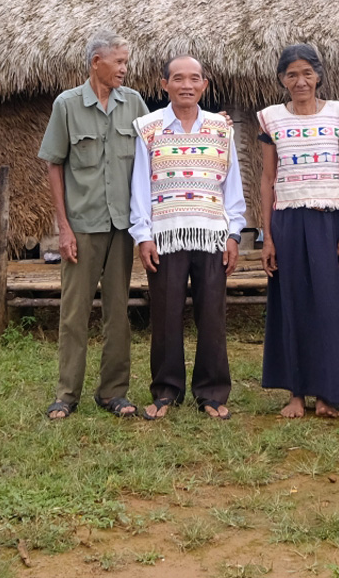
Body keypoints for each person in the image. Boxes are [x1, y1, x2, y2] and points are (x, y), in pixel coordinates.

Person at [37, 31, 150, 420]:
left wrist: (210, 125)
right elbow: (54, 164)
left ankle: (113, 392)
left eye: (126, 61)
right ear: (96, 62)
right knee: (74, 312)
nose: (125, 68)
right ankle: (66, 394)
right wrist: (63, 228)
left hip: (122, 226)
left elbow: (158, 147)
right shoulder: (67, 105)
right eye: (119, 61)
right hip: (82, 227)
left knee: (118, 312)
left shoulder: (133, 103)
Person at [129, 55, 247, 421]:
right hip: (164, 235)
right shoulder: (148, 128)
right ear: (164, 85)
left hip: (211, 234)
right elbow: (140, 185)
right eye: (178, 78)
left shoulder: (220, 128)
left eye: (194, 79)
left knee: (212, 314)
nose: (186, 85)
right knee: (165, 314)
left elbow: (232, 185)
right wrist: (143, 235)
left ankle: (211, 393)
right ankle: (166, 391)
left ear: (204, 85)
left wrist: (234, 233)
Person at [256, 43, 339, 418]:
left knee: (330, 307)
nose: (300, 81)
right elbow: (268, 178)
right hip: (288, 221)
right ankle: (296, 394)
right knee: (292, 305)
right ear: (282, 80)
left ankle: (328, 393)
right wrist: (268, 237)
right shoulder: (270, 118)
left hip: (330, 219)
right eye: (291, 74)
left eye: (306, 73)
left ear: (318, 75)